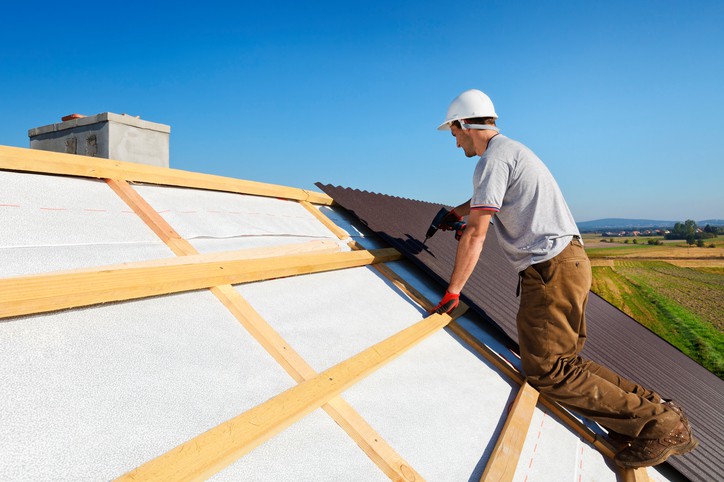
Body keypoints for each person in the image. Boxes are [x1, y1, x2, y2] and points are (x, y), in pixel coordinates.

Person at [431, 89, 697, 468]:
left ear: (463, 124)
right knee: (566, 363)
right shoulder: (513, 151)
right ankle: (656, 411)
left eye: (453, 134)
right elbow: (484, 204)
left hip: (550, 269)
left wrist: (452, 292)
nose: (455, 143)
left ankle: (661, 426)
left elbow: (477, 231)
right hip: (569, 263)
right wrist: (455, 211)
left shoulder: (491, 160)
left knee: (547, 370)